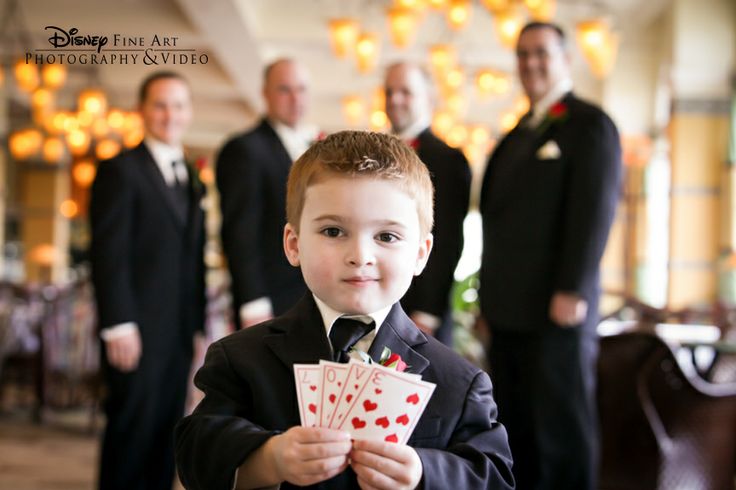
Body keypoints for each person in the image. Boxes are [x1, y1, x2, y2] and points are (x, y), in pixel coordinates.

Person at [175, 131, 515, 490]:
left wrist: (424, 472)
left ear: (420, 253)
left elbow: (493, 475)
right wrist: (269, 457)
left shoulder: (460, 383)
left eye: (386, 236)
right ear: (294, 245)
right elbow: (197, 451)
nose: (360, 256)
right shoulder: (238, 358)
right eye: (334, 231)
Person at [479, 22, 622, 490]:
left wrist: (572, 288)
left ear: (565, 59)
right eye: (522, 55)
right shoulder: (515, 134)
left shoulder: (588, 124)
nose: (531, 63)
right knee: (516, 435)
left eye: (541, 52)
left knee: (562, 436)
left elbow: (595, 210)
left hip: (557, 312)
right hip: (507, 315)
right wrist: (487, 302)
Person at [89, 71, 206, 490]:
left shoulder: (190, 176)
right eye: (160, 104)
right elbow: (107, 253)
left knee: (166, 434)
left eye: (178, 105)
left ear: (189, 112)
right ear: (142, 110)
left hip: (175, 333)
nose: (169, 114)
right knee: (130, 433)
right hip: (133, 329)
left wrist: (196, 327)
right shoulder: (120, 170)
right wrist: (117, 324)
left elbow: (192, 260)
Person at [217, 58, 317, 329]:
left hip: (312, 298)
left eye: (302, 89)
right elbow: (240, 231)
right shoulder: (244, 149)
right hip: (269, 301)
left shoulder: (316, 150)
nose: (295, 98)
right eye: (285, 89)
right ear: (265, 94)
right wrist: (253, 302)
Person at [384, 61, 471, 347]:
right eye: (389, 91)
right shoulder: (372, 155)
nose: (395, 100)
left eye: (406, 92)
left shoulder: (448, 160)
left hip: (420, 313)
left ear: (429, 99)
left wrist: (428, 312)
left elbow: (446, 240)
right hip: (377, 304)